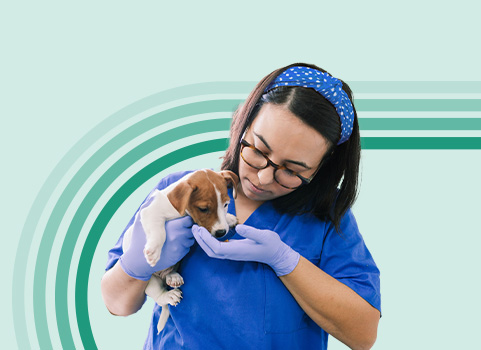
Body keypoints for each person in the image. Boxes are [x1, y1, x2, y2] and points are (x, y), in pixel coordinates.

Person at [101, 63, 381, 350]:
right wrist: (135, 264)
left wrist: (286, 262)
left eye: (292, 171)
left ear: (321, 167)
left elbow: (363, 334)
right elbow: (117, 304)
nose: (263, 177)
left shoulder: (326, 217)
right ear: (244, 122)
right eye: (258, 151)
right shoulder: (179, 190)